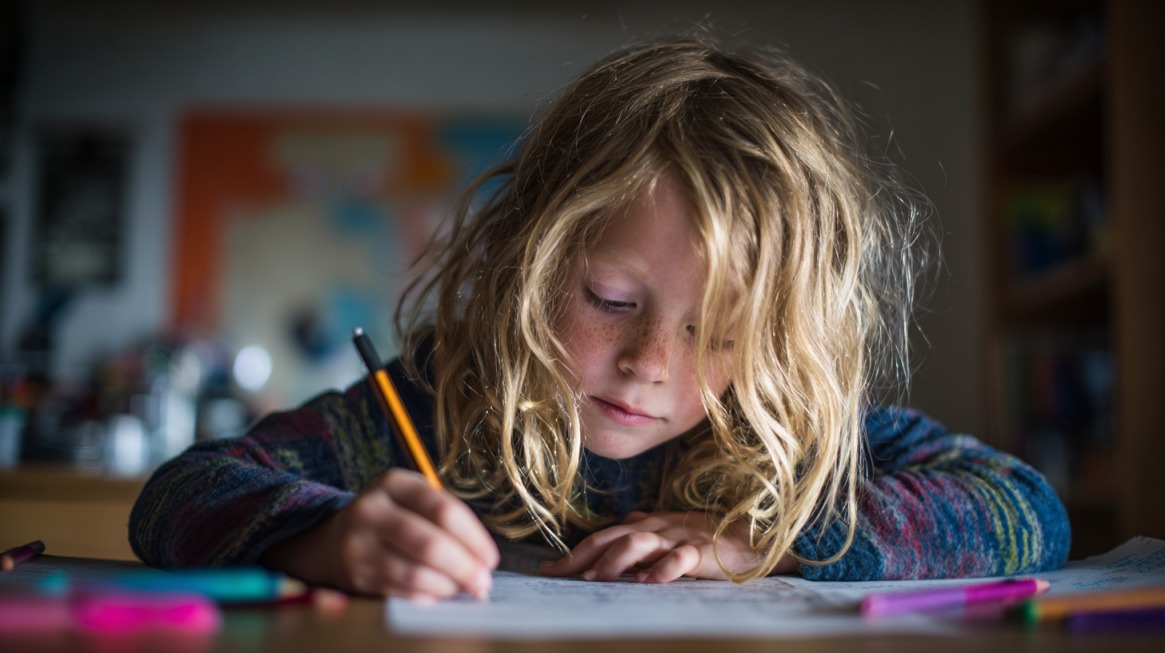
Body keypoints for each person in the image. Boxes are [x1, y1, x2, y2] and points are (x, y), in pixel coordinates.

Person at [129, 33, 1070, 601]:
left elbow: (1025, 507)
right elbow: (180, 492)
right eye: (611, 301)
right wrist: (324, 537)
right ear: (524, 264)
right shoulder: (427, 412)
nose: (651, 360)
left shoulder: (785, 445)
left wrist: (755, 542)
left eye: (722, 330)